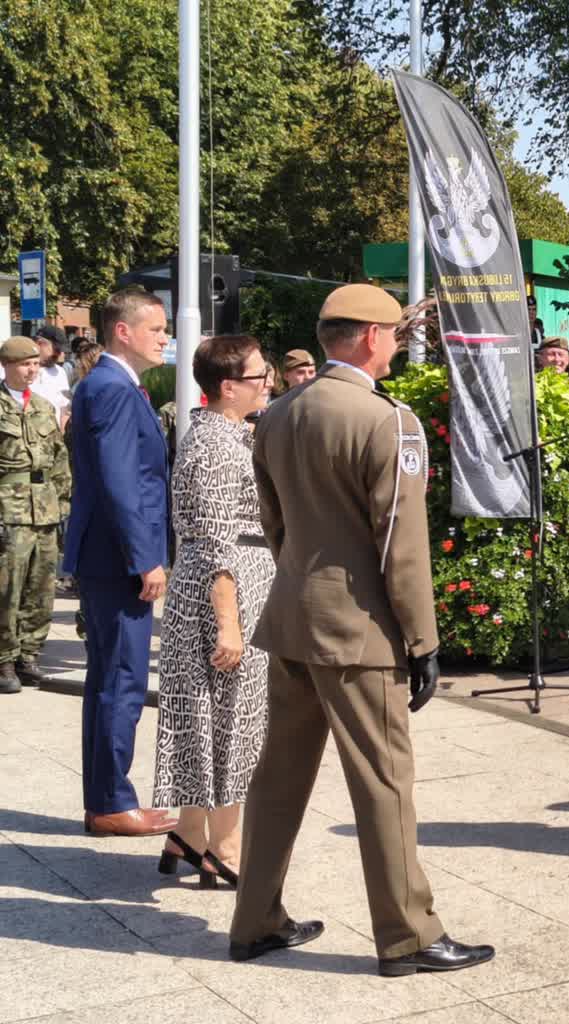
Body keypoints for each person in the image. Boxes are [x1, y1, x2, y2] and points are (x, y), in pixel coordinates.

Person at [229, 283, 493, 978]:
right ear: (372, 337)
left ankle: (254, 919)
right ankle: (407, 935)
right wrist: (423, 638)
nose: (398, 347)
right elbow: (398, 544)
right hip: (358, 629)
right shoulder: (387, 420)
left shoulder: (278, 412)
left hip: (292, 616)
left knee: (278, 777)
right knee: (383, 783)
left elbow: (274, 519)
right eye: (397, 336)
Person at [153, 335, 275, 889]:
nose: (267, 381)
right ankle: (224, 849)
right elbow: (214, 542)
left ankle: (189, 834)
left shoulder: (219, 433)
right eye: (258, 376)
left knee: (207, 717)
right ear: (228, 388)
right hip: (223, 594)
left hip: (221, 587)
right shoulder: (218, 444)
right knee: (233, 723)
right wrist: (230, 623)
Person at [63, 288, 177, 838]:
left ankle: (106, 797)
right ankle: (111, 801)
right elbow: (119, 483)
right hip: (118, 561)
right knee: (122, 679)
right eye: (155, 328)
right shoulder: (111, 388)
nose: (165, 337)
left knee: (111, 678)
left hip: (111, 556)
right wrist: (145, 559)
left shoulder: (111, 385)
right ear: (122, 332)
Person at [0, 337, 71, 694]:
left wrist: (63, 504)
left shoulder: (43, 407)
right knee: (7, 589)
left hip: (44, 510)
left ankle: (29, 655)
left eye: (35, 365)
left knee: (41, 588)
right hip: (8, 511)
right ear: (7, 365)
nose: (32, 371)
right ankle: (5, 660)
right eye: (25, 365)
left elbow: (59, 459)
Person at [32, 326, 72, 426]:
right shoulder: (18, 370)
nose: (59, 354)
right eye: (56, 349)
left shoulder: (60, 372)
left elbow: (64, 408)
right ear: (39, 343)